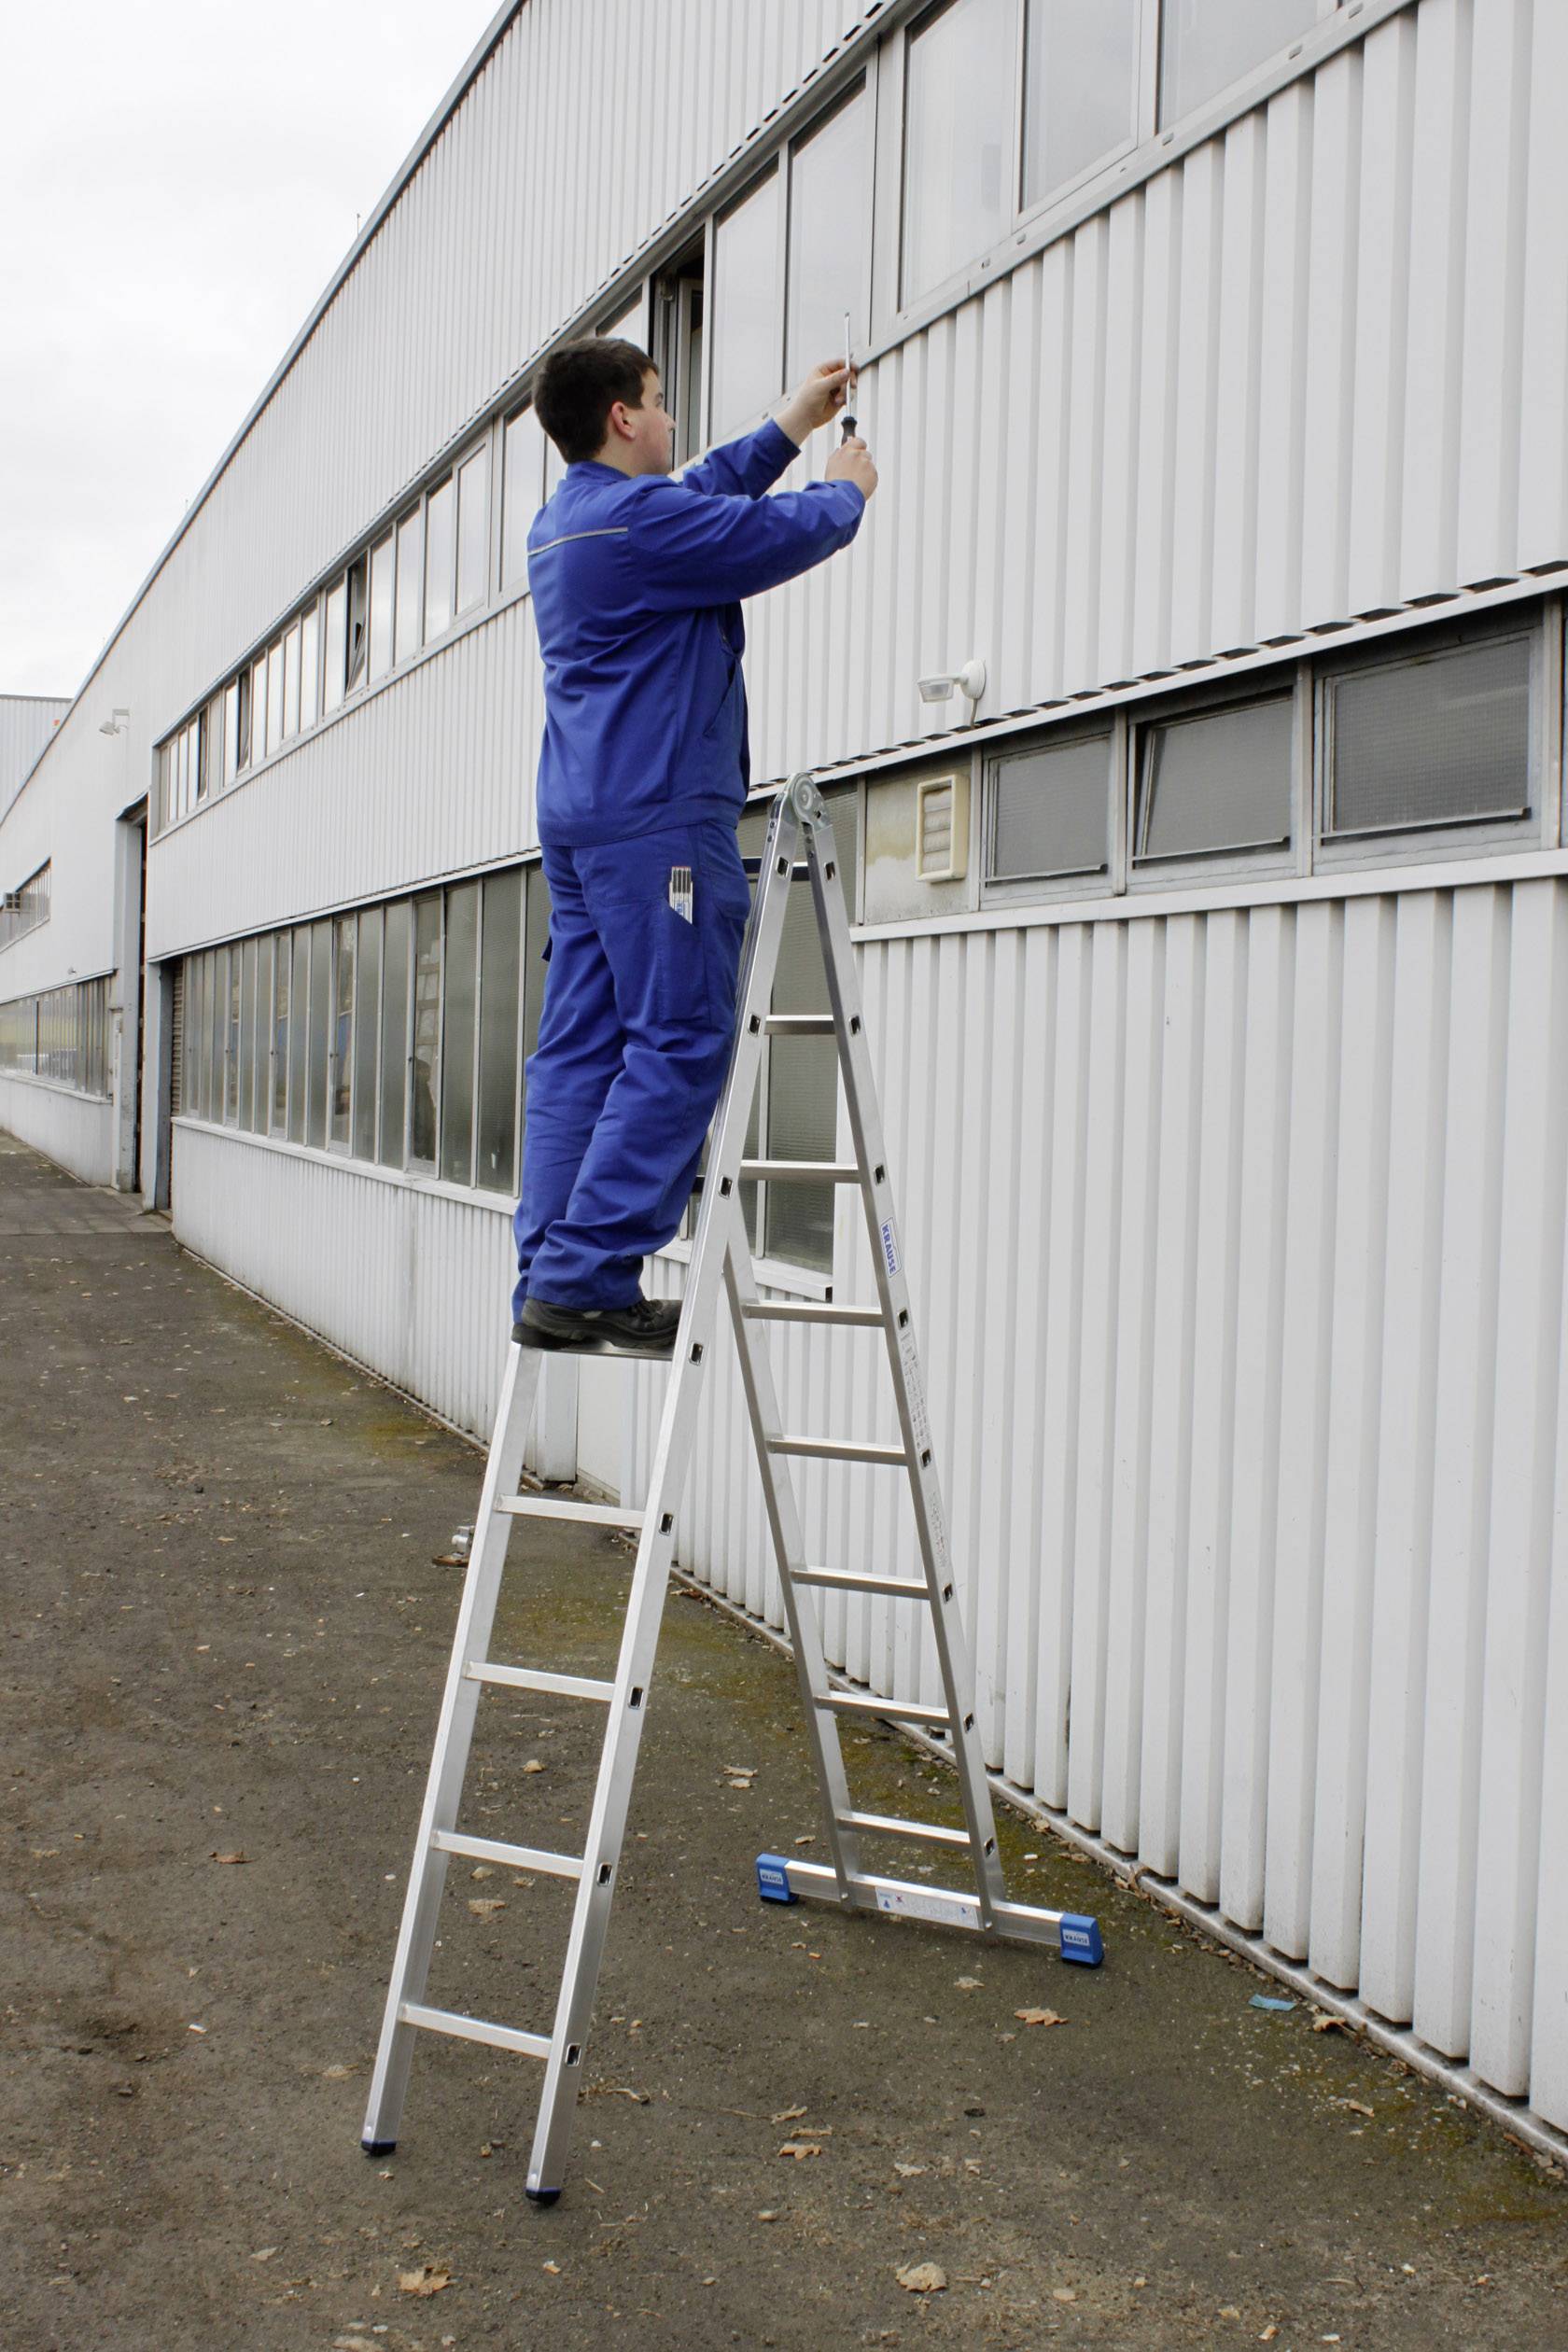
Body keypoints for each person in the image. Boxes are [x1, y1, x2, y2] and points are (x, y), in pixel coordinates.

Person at [511, 337, 878, 1357]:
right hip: (659, 819)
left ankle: (549, 1274)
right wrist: (844, 491)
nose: (672, 418)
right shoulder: (640, 525)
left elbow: (705, 491)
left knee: (580, 1052)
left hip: (585, 823)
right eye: (661, 399)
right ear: (623, 416)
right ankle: (588, 1278)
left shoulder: (568, 523)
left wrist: (792, 422)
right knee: (679, 1039)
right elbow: (763, 535)